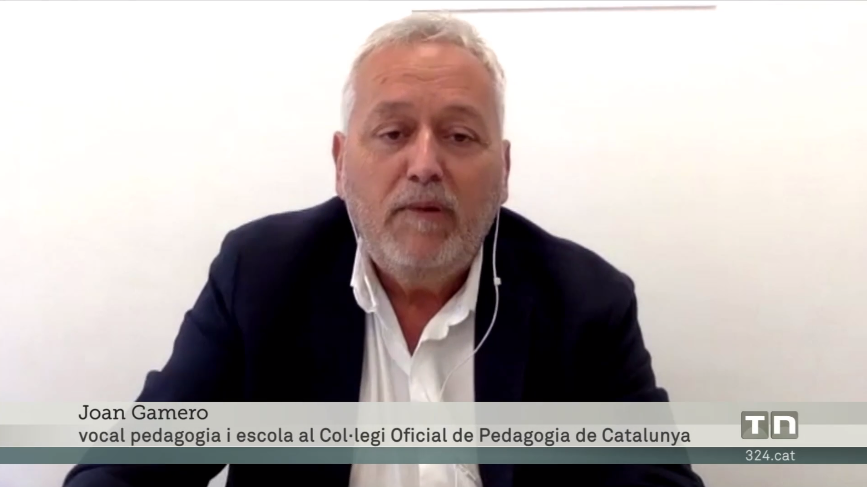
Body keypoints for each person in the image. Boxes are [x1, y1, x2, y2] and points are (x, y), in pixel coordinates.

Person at [64, 12, 704, 487]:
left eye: (459, 136)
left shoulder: (586, 304)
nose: (424, 164)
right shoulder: (260, 278)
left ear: (504, 170)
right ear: (342, 163)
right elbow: (124, 469)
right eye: (393, 133)